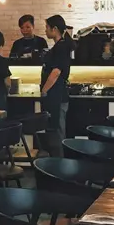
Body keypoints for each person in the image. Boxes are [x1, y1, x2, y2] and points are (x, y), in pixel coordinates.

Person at [41, 15, 73, 143]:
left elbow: (56, 72)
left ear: (54, 29)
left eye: (47, 27)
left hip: (57, 95)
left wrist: (44, 90)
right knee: (55, 128)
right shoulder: (60, 46)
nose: (45, 30)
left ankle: (59, 154)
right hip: (56, 94)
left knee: (58, 130)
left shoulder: (61, 47)